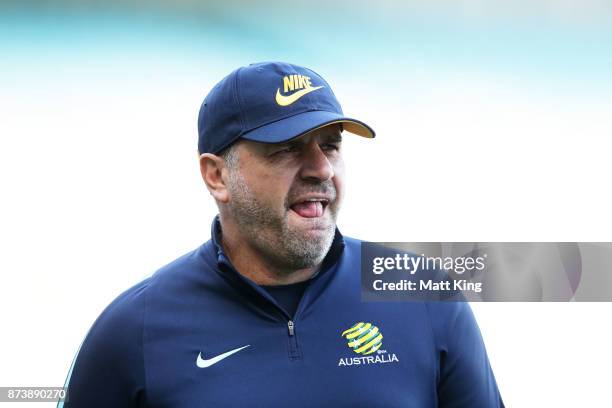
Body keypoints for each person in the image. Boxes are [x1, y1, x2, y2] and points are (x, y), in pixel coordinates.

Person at [59, 61, 505, 407]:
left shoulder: (425, 300)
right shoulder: (133, 333)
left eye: (330, 145)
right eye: (287, 148)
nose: (321, 168)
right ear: (216, 176)